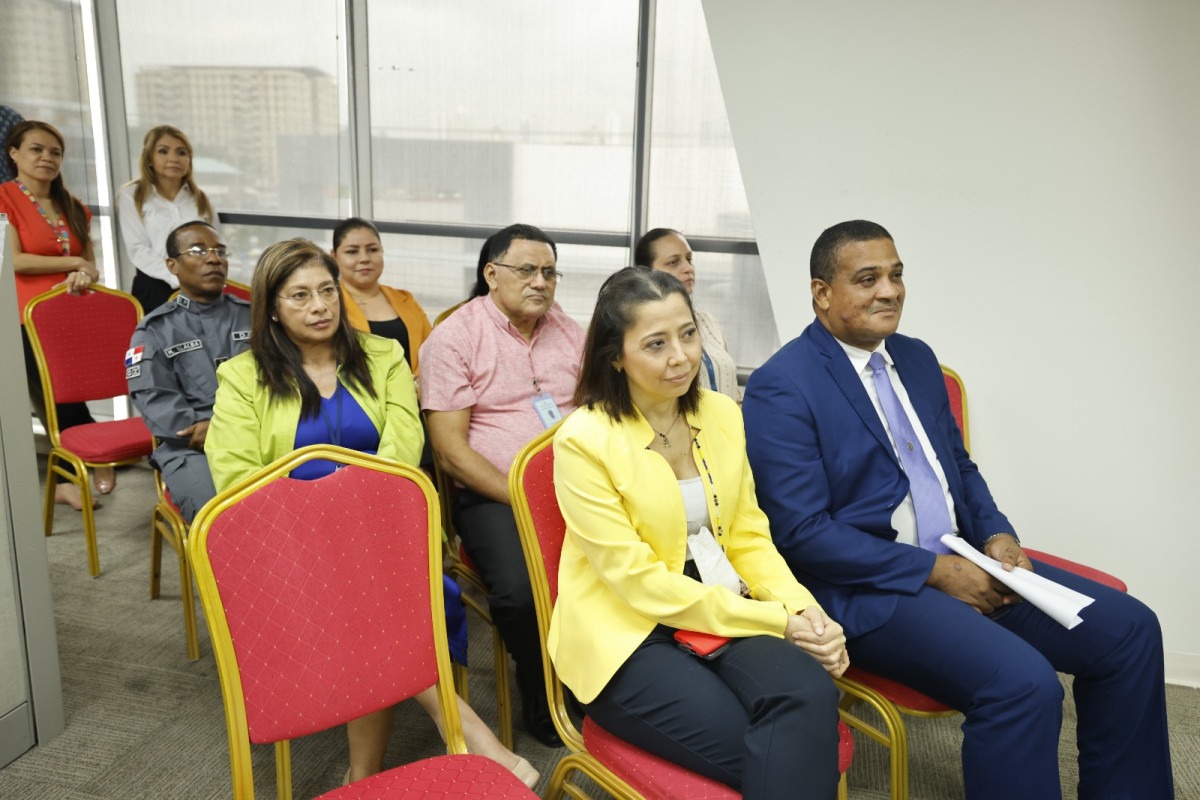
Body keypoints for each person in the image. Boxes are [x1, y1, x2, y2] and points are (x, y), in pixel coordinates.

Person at [742, 220, 1174, 799]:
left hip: (965, 560)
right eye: (867, 279)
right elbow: (803, 533)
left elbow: (958, 469)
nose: (889, 291)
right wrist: (936, 572)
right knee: (1024, 685)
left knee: (1131, 631)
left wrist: (996, 533)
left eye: (896, 275)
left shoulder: (917, 359)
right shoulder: (782, 385)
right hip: (870, 591)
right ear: (822, 292)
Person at [206, 238, 539, 789]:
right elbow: (239, 480)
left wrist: (348, 513)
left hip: (382, 532)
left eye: (326, 291)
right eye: (299, 296)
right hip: (290, 549)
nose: (319, 306)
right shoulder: (243, 377)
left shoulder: (382, 356)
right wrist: (320, 520)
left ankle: (363, 774)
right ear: (272, 308)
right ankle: (467, 734)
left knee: (365, 590)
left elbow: (404, 450)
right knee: (366, 599)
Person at [552, 267, 847, 798]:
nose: (681, 357)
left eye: (688, 334)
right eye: (656, 344)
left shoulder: (721, 414)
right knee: (783, 751)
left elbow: (749, 536)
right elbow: (638, 583)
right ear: (615, 356)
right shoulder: (584, 440)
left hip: (717, 602)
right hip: (626, 630)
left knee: (808, 694)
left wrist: (806, 613)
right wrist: (777, 622)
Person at [420, 223, 585, 747]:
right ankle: (543, 691)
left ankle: (606, 677)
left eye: (550, 272)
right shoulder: (455, 338)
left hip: (578, 485)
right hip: (496, 492)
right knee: (519, 590)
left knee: (631, 558)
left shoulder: (569, 331)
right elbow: (451, 451)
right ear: (491, 274)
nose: (541, 282)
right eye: (527, 270)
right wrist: (523, 496)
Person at [1, 120, 113, 509]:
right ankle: (83, 464)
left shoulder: (73, 206)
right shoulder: (4, 198)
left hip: (71, 314)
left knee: (68, 393)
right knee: (55, 396)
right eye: (36, 149)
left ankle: (76, 470)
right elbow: (14, 260)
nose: (47, 157)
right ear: (14, 153)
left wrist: (84, 272)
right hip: (25, 317)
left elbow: (91, 265)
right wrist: (74, 262)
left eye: (55, 152)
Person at [126, 221, 248, 522]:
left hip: (257, 434)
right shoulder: (154, 331)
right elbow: (157, 404)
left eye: (220, 251)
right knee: (219, 514)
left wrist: (227, 428)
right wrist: (216, 432)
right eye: (198, 250)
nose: (213, 258)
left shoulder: (255, 317)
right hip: (192, 449)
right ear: (172, 265)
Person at [118, 125, 221, 314]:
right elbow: (138, 249)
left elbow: (215, 244)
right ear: (149, 158)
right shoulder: (132, 196)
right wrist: (179, 278)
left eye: (181, 152)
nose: (173, 158)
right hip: (154, 287)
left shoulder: (201, 198)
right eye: (163, 151)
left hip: (200, 286)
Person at [635, 228, 740, 401]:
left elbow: (732, 389)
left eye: (689, 259)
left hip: (728, 417)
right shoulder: (641, 328)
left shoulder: (707, 321)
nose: (688, 268)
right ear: (646, 272)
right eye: (673, 262)